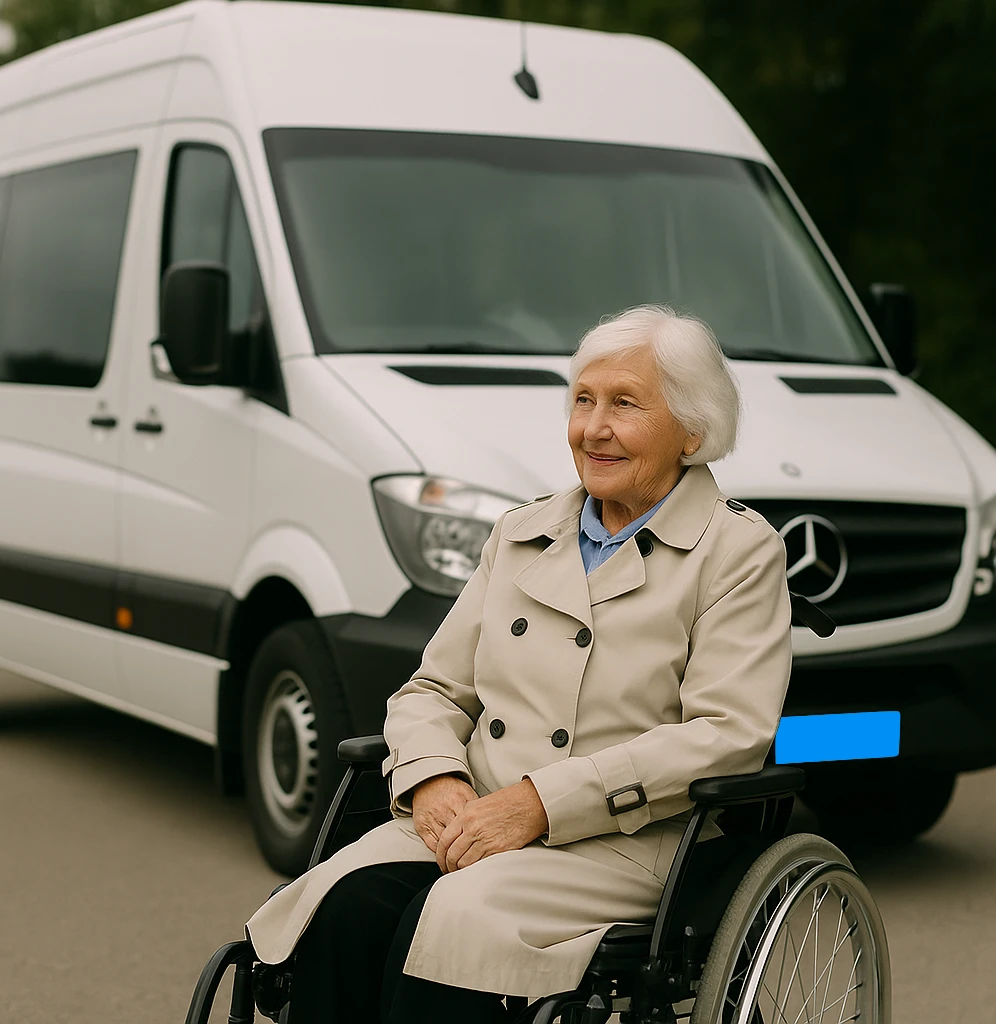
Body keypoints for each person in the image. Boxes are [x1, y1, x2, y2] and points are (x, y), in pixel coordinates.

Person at [246, 304, 793, 1023]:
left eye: (624, 404)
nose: (593, 428)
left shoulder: (737, 552)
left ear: (693, 431)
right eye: (583, 401)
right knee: (342, 911)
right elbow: (433, 689)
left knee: (450, 936)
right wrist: (434, 777)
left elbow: (726, 734)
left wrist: (539, 803)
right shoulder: (522, 533)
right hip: (472, 814)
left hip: (624, 840)